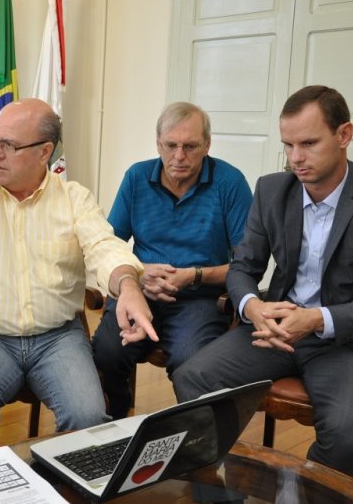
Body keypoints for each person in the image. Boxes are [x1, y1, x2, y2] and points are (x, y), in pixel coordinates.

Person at [172, 85, 353, 479]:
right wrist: (253, 306)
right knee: (193, 378)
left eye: (308, 143)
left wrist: (317, 319)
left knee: (351, 437)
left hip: (347, 343)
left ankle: (297, 492)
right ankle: (221, 490)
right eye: (288, 145)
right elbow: (242, 267)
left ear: (344, 135)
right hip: (275, 329)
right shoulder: (272, 190)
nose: (296, 159)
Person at [0, 98, 154, 459]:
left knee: (89, 416)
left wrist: (127, 285)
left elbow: (103, 247)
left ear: (44, 152)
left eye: (9, 145)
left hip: (58, 339)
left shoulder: (74, 199)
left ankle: (60, 491)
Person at [91, 102, 253, 419]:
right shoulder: (137, 177)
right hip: (139, 292)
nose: (179, 156)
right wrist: (137, 275)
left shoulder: (229, 183)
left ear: (207, 144)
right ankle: (117, 414)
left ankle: (189, 438)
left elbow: (247, 265)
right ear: (158, 143)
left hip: (200, 299)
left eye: (190, 147)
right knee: (107, 352)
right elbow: (109, 246)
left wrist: (193, 275)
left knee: (193, 364)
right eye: (171, 146)